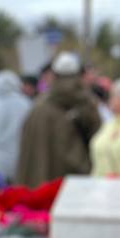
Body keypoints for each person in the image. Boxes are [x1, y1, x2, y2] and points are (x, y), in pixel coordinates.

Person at [17, 51, 103, 187]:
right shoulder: (86, 104)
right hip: (75, 182)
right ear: (80, 75)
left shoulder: (39, 107)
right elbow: (98, 138)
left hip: (41, 183)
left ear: (54, 75)